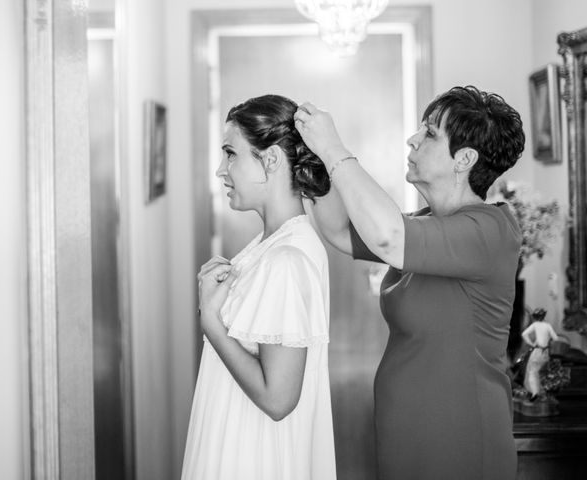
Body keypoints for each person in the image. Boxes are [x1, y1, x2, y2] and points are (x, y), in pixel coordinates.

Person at [294, 85, 525, 480]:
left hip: (460, 435)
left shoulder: (491, 229)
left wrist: (334, 150)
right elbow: (337, 231)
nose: (413, 139)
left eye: (431, 133)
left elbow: (387, 237)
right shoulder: (423, 223)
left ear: (464, 159)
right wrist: (310, 161)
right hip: (406, 431)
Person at [181, 94, 336, 480]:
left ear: (270, 160)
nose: (221, 170)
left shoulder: (286, 260)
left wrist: (212, 322)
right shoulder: (267, 248)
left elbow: (278, 398)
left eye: (231, 154)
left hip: (254, 456)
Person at [521, 308, 559, 400]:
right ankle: (541, 392)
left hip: (537, 351)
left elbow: (524, 334)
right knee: (542, 372)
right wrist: (548, 341)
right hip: (546, 352)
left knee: (532, 372)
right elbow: (556, 338)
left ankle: (535, 393)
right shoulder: (548, 325)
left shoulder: (535, 325)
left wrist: (531, 343)